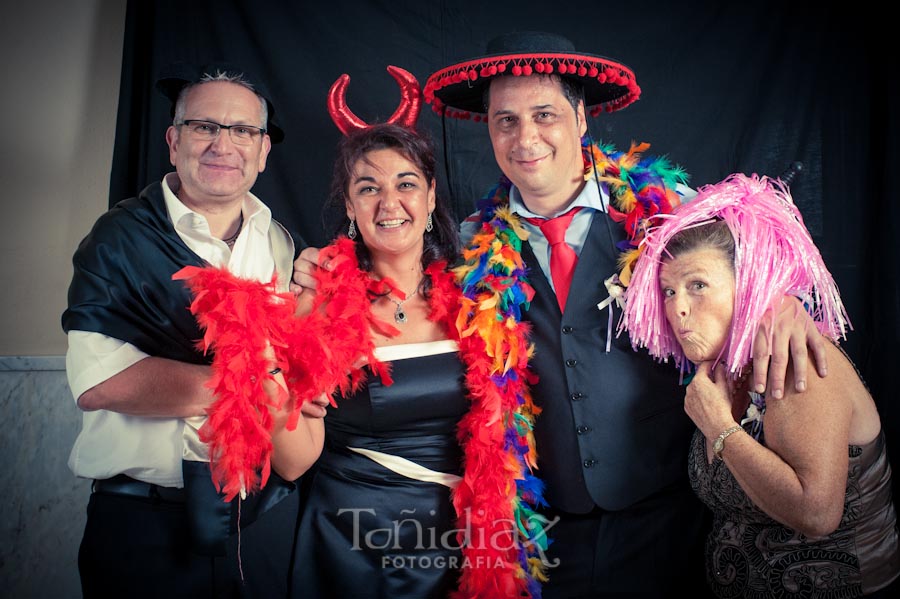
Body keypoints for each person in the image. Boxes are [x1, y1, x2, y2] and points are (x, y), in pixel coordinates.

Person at [295, 32, 829, 597]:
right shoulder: (474, 250)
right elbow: (394, 260)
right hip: (546, 535)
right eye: (505, 121)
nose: (525, 138)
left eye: (543, 114)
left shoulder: (666, 216)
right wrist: (325, 268)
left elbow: (749, 262)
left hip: (665, 518)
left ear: (579, 118)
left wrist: (781, 299)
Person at [187, 66, 552, 598]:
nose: (389, 203)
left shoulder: (480, 297)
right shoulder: (318, 301)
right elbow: (294, 460)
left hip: (470, 544)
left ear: (430, 199)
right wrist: (265, 360)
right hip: (356, 544)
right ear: (351, 208)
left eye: (405, 184)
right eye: (368, 188)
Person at [61, 62, 303, 598]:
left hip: (256, 520)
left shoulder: (281, 244)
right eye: (204, 127)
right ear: (174, 141)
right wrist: (258, 385)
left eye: (243, 131)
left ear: (264, 151)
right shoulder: (120, 239)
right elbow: (102, 384)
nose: (224, 144)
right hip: (144, 521)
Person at [620, 172, 900, 598]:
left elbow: (817, 512)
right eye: (669, 290)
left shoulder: (794, 362)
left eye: (697, 285)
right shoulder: (726, 370)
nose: (677, 307)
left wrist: (718, 427)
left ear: (749, 284)